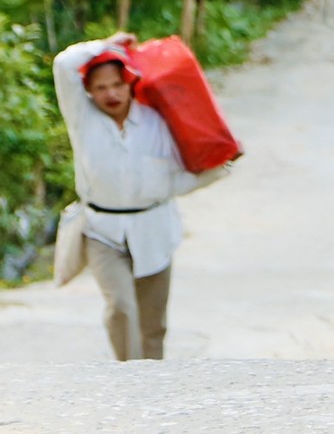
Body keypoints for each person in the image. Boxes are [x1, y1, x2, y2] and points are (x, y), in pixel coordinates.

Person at [51, 32, 228, 361]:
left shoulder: (156, 122)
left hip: (155, 229)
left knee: (152, 323)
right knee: (120, 307)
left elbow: (176, 179)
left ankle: (152, 387)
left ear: (130, 83)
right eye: (101, 87)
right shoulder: (82, 118)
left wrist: (218, 166)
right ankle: (127, 377)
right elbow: (63, 64)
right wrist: (106, 45)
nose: (111, 94)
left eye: (117, 84)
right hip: (102, 230)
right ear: (89, 91)